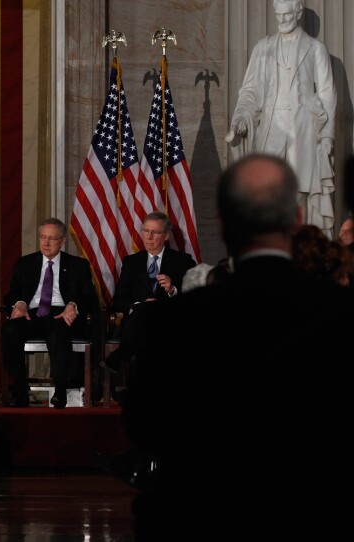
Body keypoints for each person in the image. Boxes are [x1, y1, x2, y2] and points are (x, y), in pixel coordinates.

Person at [122, 154, 354, 539]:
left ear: (223, 225)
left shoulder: (176, 319)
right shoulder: (340, 312)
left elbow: (143, 421)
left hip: (203, 514)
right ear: (297, 219)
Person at [226, 0, 336, 237]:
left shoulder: (315, 48)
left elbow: (327, 94)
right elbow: (250, 90)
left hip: (303, 132)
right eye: (278, 15)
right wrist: (242, 118)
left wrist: (327, 135)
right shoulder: (263, 48)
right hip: (271, 131)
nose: (282, 20)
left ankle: (299, 250)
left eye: (287, 14)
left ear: (298, 12)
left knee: (299, 195)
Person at [1, 218, 98, 408]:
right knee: (9, 331)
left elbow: (89, 297)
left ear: (62, 241)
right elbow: (12, 293)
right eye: (43, 237)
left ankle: (60, 392)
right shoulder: (26, 263)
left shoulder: (78, 265)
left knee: (57, 332)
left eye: (52, 239)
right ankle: (20, 392)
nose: (45, 243)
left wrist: (72, 305)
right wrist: (19, 304)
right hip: (32, 314)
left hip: (60, 313)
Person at [103, 211, 196, 372]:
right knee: (145, 313)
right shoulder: (131, 262)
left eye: (155, 232)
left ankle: (119, 357)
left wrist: (172, 290)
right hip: (138, 323)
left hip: (170, 322)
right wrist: (139, 305)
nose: (149, 237)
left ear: (166, 236)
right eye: (146, 231)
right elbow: (119, 299)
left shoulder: (183, 261)